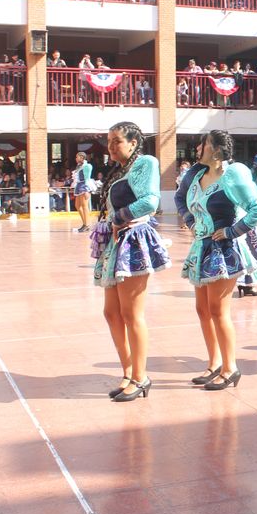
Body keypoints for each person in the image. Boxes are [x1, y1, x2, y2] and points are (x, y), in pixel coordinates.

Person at [175, 130, 257, 390]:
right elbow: (179, 198)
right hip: (201, 247)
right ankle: (214, 363)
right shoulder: (195, 175)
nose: (197, 148)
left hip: (224, 250)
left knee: (218, 310)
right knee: (203, 309)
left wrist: (232, 231)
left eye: (203, 144)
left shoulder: (233, 173)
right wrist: (191, 221)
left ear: (216, 150)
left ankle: (230, 369)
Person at [89, 122, 170, 402]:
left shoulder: (145, 163)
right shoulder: (120, 169)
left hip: (134, 240)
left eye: (117, 141)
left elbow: (150, 201)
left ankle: (140, 377)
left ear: (134, 142)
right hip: (116, 242)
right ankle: (128, 372)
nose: (111, 146)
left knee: (131, 314)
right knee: (112, 313)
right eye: (109, 141)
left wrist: (117, 217)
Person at [71, 150, 94, 233]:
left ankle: (87, 224)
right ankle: (85, 223)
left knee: (84, 206)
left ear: (81, 157)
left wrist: (87, 190)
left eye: (77, 157)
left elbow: (87, 178)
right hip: (79, 186)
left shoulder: (87, 166)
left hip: (84, 186)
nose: (76, 158)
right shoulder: (78, 166)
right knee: (77, 205)